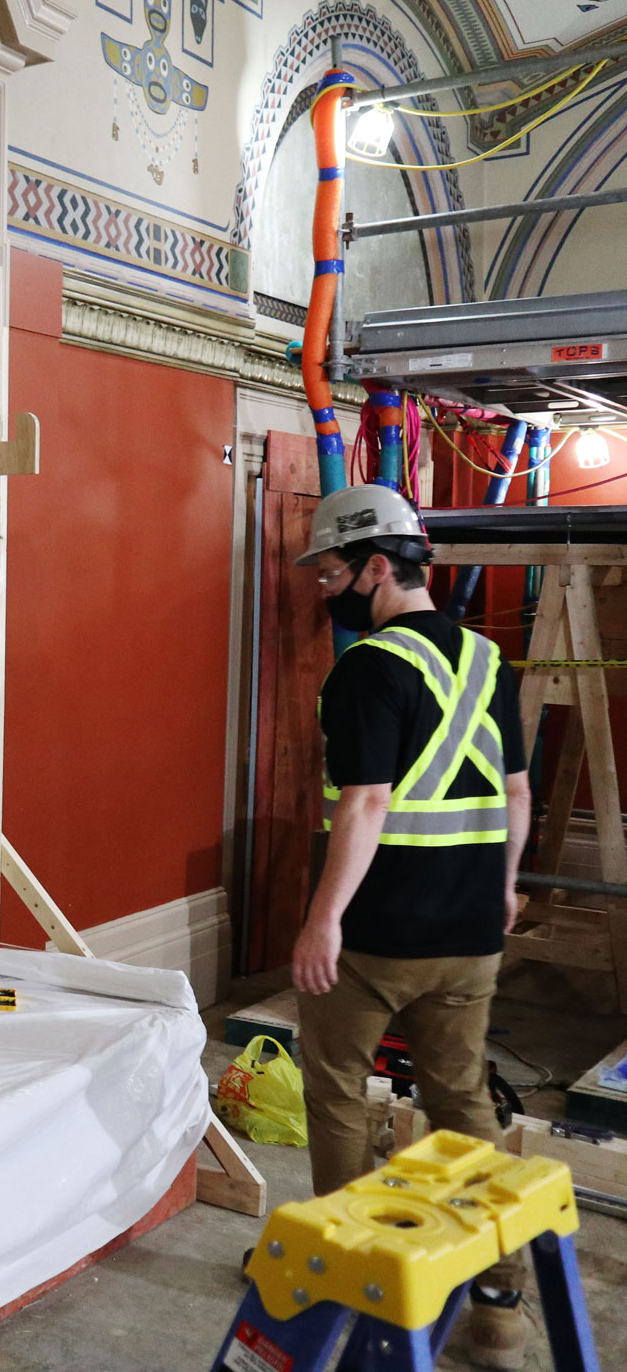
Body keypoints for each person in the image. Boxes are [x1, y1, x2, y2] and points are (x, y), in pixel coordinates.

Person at [291, 483, 532, 1369]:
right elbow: (515, 792)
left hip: (378, 937)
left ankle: (350, 1276)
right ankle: (500, 1306)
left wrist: (323, 921)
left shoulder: (367, 668)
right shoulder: (485, 658)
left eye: (332, 571)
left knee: (339, 1096)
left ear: (379, 568)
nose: (324, 587)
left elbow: (365, 802)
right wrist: (502, 888)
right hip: (472, 931)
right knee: (462, 1098)